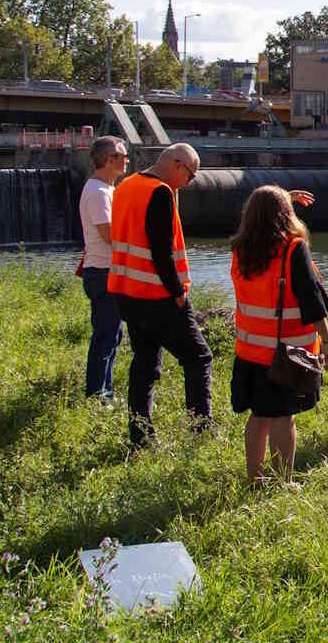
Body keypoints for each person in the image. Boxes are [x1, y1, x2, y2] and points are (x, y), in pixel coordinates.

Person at [228, 186, 328, 488]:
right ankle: (281, 482)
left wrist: (281, 199)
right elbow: (311, 301)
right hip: (284, 354)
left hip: (249, 352)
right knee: (282, 418)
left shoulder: (241, 249)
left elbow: (264, 217)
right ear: (285, 215)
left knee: (259, 416)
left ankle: (255, 479)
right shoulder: (292, 249)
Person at [107, 143, 212, 449]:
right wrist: (178, 294)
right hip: (156, 296)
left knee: (145, 362)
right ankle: (200, 433)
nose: (189, 183)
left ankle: (140, 436)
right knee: (199, 357)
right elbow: (161, 252)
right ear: (178, 165)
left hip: (126, 293)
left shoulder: (127, 186)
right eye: (190, 176)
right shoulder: (160, 193)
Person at [78, 136, 129, 400]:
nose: (127, 160)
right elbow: (109, 235)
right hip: (102, 273)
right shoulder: (98, 193)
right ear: (109, 160)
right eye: (122, 156)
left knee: (113, 335)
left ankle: (104, 392)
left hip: (107, 271)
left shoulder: (106, 189)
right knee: (105, 337)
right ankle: (98, 395)